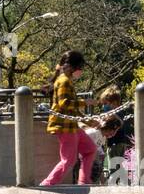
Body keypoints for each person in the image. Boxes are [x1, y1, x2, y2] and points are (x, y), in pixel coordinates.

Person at [40, 51, 100, 187]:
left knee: (90, 149)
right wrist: (85, 102)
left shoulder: (66, 81)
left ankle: (84, 181)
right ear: (73, 67)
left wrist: (90, 122)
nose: (80, 71)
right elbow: (65, 104)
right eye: (80, 68)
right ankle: (47, 184)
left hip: (71, 126)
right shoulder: (64, 81)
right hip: (65, 127)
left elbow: (72, 111)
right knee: (68, 160)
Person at [85, 116, 122, 183]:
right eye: (113, 130)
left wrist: (101, 153)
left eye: (116, 131)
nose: (114, 134)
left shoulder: (103, 137)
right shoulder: (93, 133)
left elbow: (98, 146)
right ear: (107, 127)